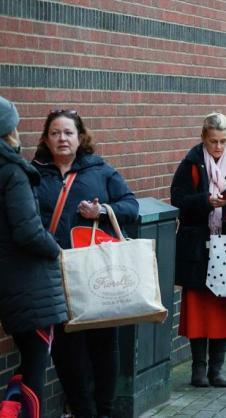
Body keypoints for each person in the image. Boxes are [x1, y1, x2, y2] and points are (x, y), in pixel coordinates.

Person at [32, 109, 138, 418]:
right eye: (55, 133)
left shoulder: (100, 171)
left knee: (104, 347)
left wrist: (102, 211)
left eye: (68, 133)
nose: (62, 138)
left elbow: (130, 205)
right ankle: (82, 410)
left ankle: (104, 410)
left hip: (97, 275)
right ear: (46, 138)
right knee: (67, 351)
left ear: (80, 138)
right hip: (56, 276)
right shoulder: (34, 173)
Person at [170, 113, 226, 388]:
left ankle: (217, 369)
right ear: (204, 137)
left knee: (222, 306)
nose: (218, 147)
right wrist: (206, 201)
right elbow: (178, 202)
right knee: (198, 309)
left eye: (223, 141)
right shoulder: (191, 164)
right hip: (197, 247)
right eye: (214, 141)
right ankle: (198, 369)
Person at [0, 97, 67, 418]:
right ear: (8, 130)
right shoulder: (12, 171)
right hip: (31, 286)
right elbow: (28, 232)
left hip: (10, 286)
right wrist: (56, 249)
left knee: (27, 364)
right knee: (35, 371)